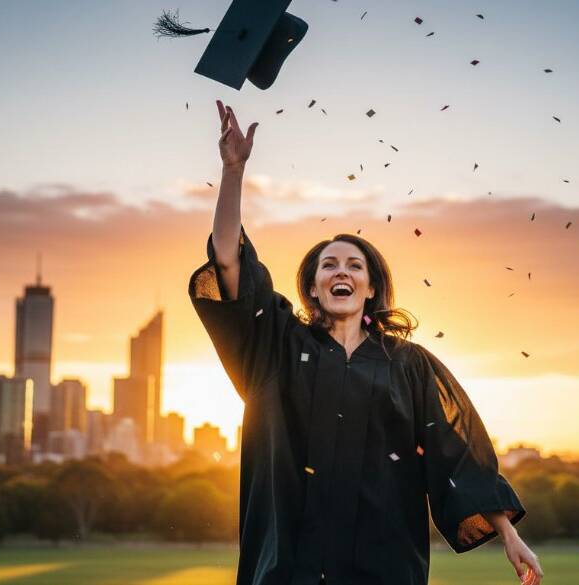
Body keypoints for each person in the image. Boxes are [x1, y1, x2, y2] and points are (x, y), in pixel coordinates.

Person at [189, 100, 544, 585]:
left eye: (355, 265)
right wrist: (234, 171)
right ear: (312, 287)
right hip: (289, 566)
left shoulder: (409, 365)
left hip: (383, 564)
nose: (342, 272)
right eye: (329, 265)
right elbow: (229, 262)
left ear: (371, 286)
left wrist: (508, 532)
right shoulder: (275, 348)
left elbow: (455, 451)